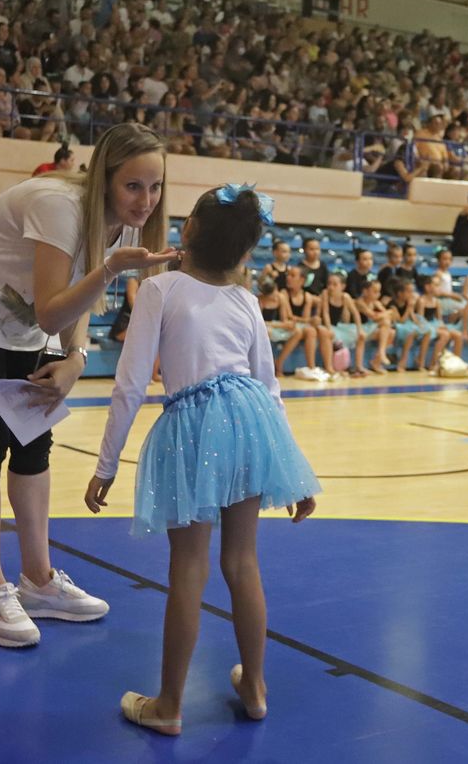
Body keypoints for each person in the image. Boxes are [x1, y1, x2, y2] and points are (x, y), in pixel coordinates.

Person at [0, 122, 177, 649]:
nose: (146, 200)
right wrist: (106, 272)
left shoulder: (119, 221)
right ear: (105, 178)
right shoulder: (59, 204)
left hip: (17, 317)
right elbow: (53, 303)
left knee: (35, 438)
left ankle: (38, 580)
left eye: (155, 187)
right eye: (134, 186)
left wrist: (73, 355)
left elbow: (74, 299)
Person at [85, 183, 321, 735]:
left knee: (188, 568)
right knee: (242, 563)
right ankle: (256, 688)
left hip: (194, 426)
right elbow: (269, 387)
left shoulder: (158, 289)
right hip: (251, 421)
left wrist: (106, 463)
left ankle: (169, 705)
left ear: (187, 231)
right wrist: (295, 464)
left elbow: (130, 384)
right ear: (245, 250)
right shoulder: (245, 300)